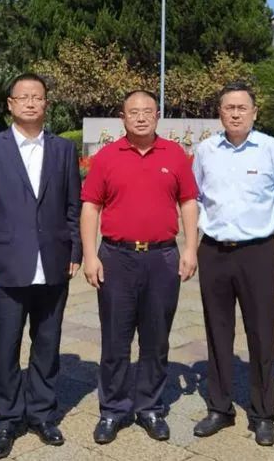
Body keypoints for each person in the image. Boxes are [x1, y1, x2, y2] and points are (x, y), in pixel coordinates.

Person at [0, 73, 82, 458]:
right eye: (23, 97)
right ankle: (7, 418)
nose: (31, 103)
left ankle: (43, 413)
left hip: (53, 263)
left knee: (47, 344)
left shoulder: (63, 149)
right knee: (5, 347)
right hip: (4, 265)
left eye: (38, 97)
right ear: (11, 104)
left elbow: (72, 206)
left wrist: (75, 251)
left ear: (46, 103)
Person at [80, 90, 200, 445]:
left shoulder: (174, 154)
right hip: (117, 257)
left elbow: (188, 202)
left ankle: (150, 407)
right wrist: (90, 255)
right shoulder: (106, 157)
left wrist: (190, 248)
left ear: (158, 115)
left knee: (156, 338)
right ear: (123, 117)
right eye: (134, 112)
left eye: (148, 111)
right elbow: (90, 207)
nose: (142, 117)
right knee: (115, 339)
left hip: (162, 258)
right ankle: (113, 409)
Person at [191, 82, 274, 447]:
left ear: (254, 112)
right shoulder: (206, 150)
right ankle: (220, 407)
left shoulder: (271, 149)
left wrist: (258, 228)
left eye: (242, 107)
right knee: (217, 330)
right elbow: (195, 197)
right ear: (220, 112)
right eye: (228, 107)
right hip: (214, 251)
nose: (235, 113)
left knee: (261, 332)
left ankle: (263, 413)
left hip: (257, 253)